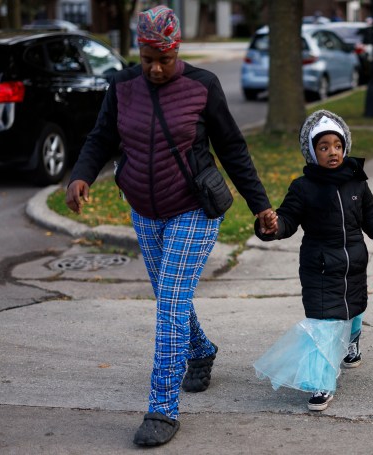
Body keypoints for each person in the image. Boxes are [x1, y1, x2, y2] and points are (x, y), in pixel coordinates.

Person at [65, 5, 277, 447]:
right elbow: (102, 137)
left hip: (193, 209)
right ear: (138, 52)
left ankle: (162, 407)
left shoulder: (202, 86)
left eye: (164, 58)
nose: (156, 68)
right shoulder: (122, 86)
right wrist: (81, 174)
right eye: (148, 59)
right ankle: (201, 350)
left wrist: (260, 205)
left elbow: (233, 148)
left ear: (176, 49)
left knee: (169, 303)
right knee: (170, 296)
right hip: (144, 210)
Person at [253, 110, 373, 411]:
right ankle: (321, 382)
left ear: (345, 146)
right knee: (324, 323)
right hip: (320, 266)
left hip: (354, 263)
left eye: (337, 145)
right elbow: (288, 220)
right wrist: (271, 226)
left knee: (353, 309)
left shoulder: (356, 181)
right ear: (312, 152)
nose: (332, 152)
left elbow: (371, 217)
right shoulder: (303, 187)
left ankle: (352, 344)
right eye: (323, 147)